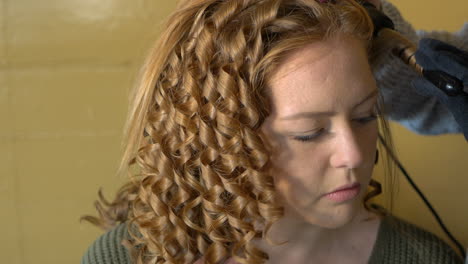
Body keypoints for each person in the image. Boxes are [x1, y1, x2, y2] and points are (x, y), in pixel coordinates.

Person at [80, 0, 465, 263]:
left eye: (365, 117)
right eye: (310, 132)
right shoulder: (130, 255)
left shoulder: (421, 258)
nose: (354, 155)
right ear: (227, 138)